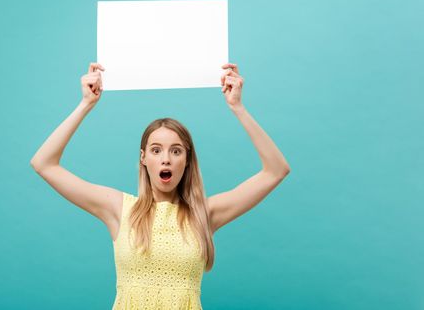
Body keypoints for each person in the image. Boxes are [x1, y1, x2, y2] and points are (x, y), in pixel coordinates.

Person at [30, 62, 291, 309]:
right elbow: (44, 163)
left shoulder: (204, 214)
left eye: (176, 151)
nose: (166, 158)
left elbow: (276, 171)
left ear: (187, 161)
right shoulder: (119, 209)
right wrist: (86, 104)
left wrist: (238, 108)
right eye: (156, 150)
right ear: (143, 158)